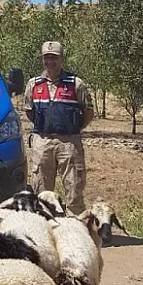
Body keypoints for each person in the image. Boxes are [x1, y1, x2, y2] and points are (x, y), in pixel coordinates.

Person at [22, 41, 94, 215]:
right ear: (42, 60)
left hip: (69, 143)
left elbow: (88, 112)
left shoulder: (76, 83)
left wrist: (73, 130)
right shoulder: (34, 84)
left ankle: (76, 230)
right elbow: (29, 112)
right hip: (42, 142)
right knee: (42, 192)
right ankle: (44, 229)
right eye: (47, 58)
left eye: (54, 58)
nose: (50, 62)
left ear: (61, 59)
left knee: (74, 189)